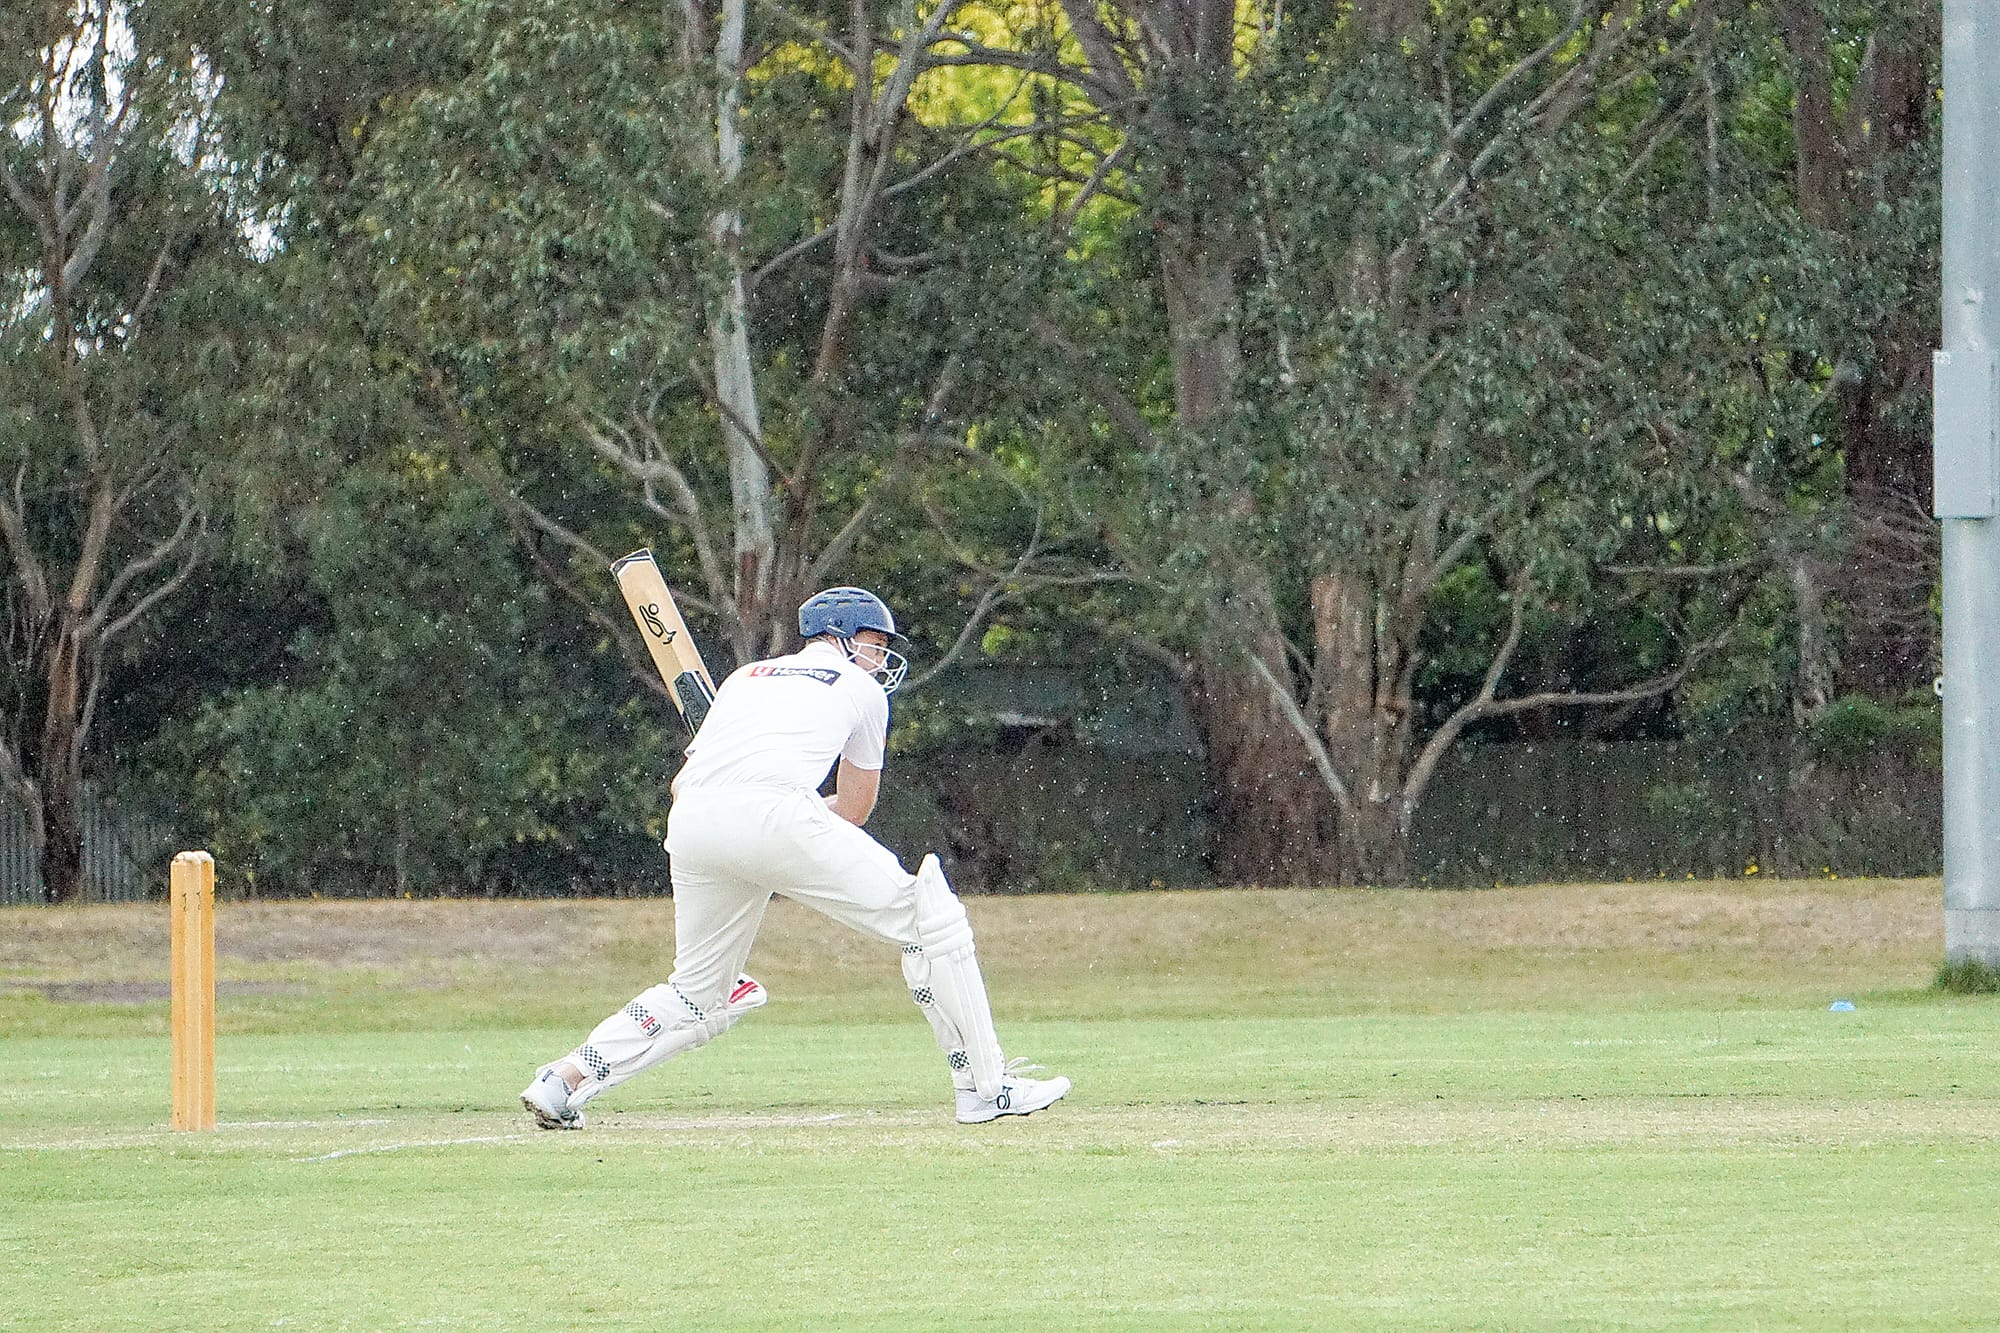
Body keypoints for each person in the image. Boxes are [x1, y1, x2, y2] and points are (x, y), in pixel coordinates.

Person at [521, 585, 1070, 1128]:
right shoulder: (860, 688)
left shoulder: (744, 678)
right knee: (931, 918)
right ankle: (985, 1087)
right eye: (876, 643)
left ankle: (564, 1080)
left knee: (696, 993)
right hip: (775, 814)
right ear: (844, 638)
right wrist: (791, 818)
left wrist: (780, 819)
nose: (880, 659)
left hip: (693, 822)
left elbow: (684, 784)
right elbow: (854, 808)